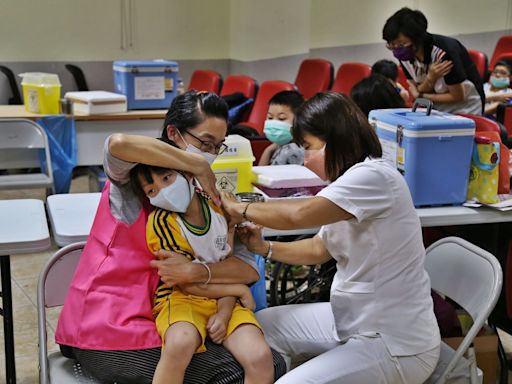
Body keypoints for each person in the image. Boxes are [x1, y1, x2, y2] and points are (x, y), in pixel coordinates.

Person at [55, 91, 286, 383]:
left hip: (179, 314)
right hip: (112, 326)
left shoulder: (209, 198)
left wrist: (197, 270)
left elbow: (245, 268)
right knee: (231, 374)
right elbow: (118, 144)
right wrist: (196, 164)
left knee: (269, 362)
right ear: (173, 133)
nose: (210, 154)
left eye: (217, 146)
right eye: (204, 143)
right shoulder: (134, 182)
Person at [221, 92, 441, 384]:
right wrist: (264, 247)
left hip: (395, 343)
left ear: (336, 140)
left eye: (310, 147)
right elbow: (318, 248)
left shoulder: (373, 177)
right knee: (257, 327)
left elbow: (298, 215)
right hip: (353, 320)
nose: (307, 158)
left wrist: (239, 207)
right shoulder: (346, 182)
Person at [129, 159, 274, 384]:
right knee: (179, 343)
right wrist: (238, 289)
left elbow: (225, 265)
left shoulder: (218, 205)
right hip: (181, 298)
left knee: (261, 357)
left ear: (186, 173)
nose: (164, 191)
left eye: (167, 178)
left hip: (227, 298)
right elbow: (186, 281)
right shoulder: (161, 223)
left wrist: (225, 312)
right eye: (152, 190)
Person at [383, 7, 484, 115]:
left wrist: (421, 95)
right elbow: (417, 88)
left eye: (401, 44)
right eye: (392, 44)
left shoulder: (443, 52)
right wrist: (430, 78)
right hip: (435, 108)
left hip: (466, 109)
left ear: (417, 38)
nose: (397, 49)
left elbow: (457, 96)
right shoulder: (405, 54)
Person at [258, 90, 305, 166]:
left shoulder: (292, 150)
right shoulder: (281, 145)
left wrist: (268, 150)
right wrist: (269, 150)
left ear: (299, 120)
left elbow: (262, 175)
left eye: (281, 118)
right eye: (270, 117)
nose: (274, 123)